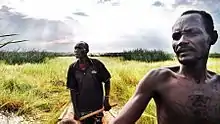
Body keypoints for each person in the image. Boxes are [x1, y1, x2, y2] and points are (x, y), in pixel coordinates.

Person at [110, 10, 220, 124]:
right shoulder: (159, 79)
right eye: (176, 36)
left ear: (212, 37)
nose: (181, 41)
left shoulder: (218, 84)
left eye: (192, 33)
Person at [66, 41, 112, 124]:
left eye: (79, 48)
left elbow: (107, 81)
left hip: (97, 107)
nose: (76, 50)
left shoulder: (97, 64)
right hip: (82, 108)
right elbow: (72, 90)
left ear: (86, 50)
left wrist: (106, 99)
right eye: (75, 48)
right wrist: (76, 110)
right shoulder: (72, 68)